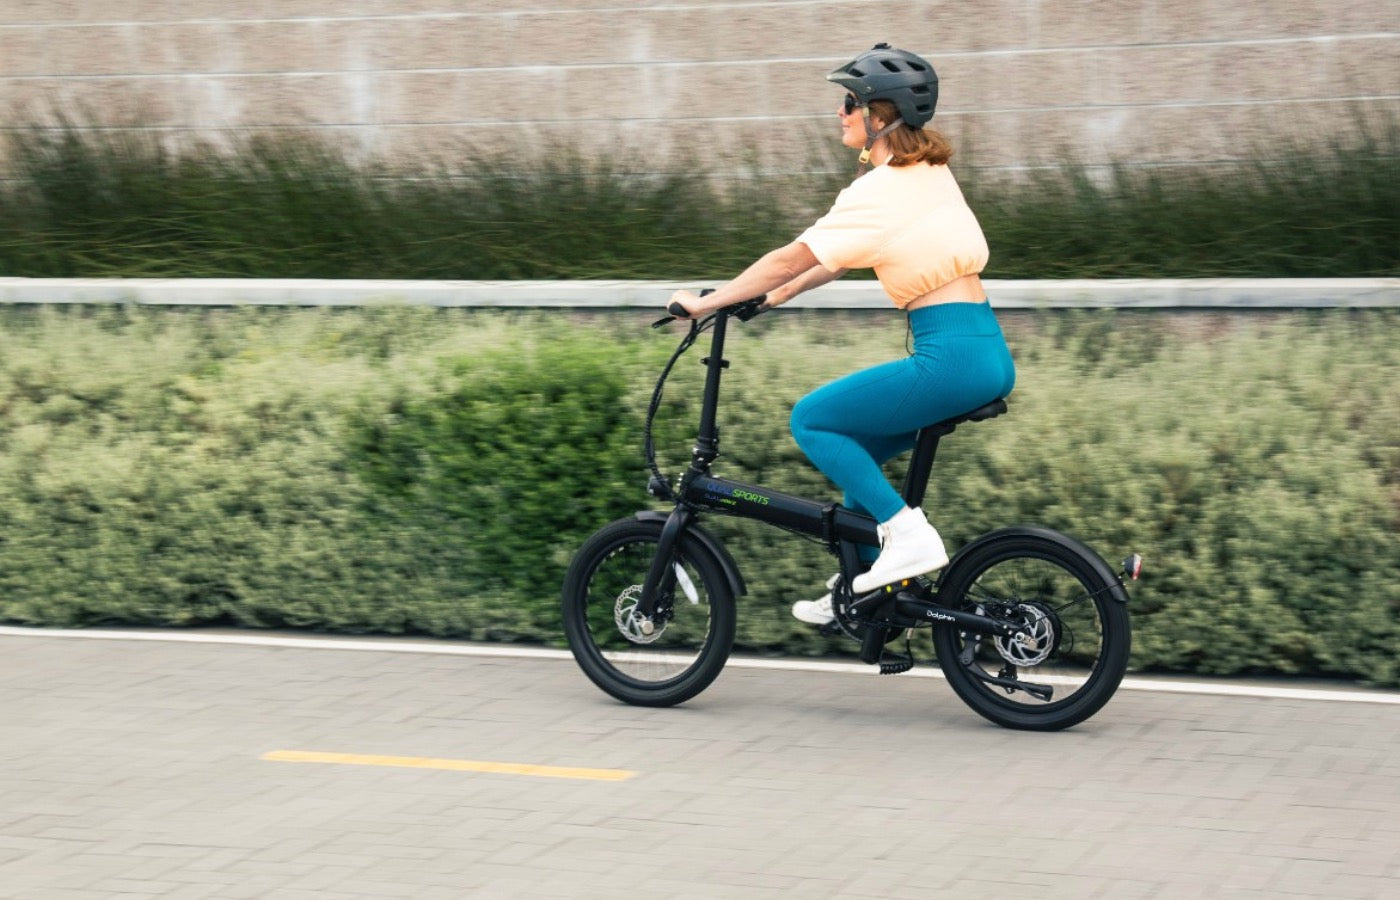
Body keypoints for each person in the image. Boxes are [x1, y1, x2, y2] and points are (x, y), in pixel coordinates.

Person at [668, 43, 1015, 626]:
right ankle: (861, 586)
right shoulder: (924, 173)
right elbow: (831, 259)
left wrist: (707, 303)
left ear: (882, 115)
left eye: (849, 102)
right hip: (982, 350)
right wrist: (776, 297)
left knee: (813, 419)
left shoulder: (882, 190)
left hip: (949, 358)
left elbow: (791, 255)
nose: (840, 113)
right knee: (860, 457)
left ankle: (908, 538)